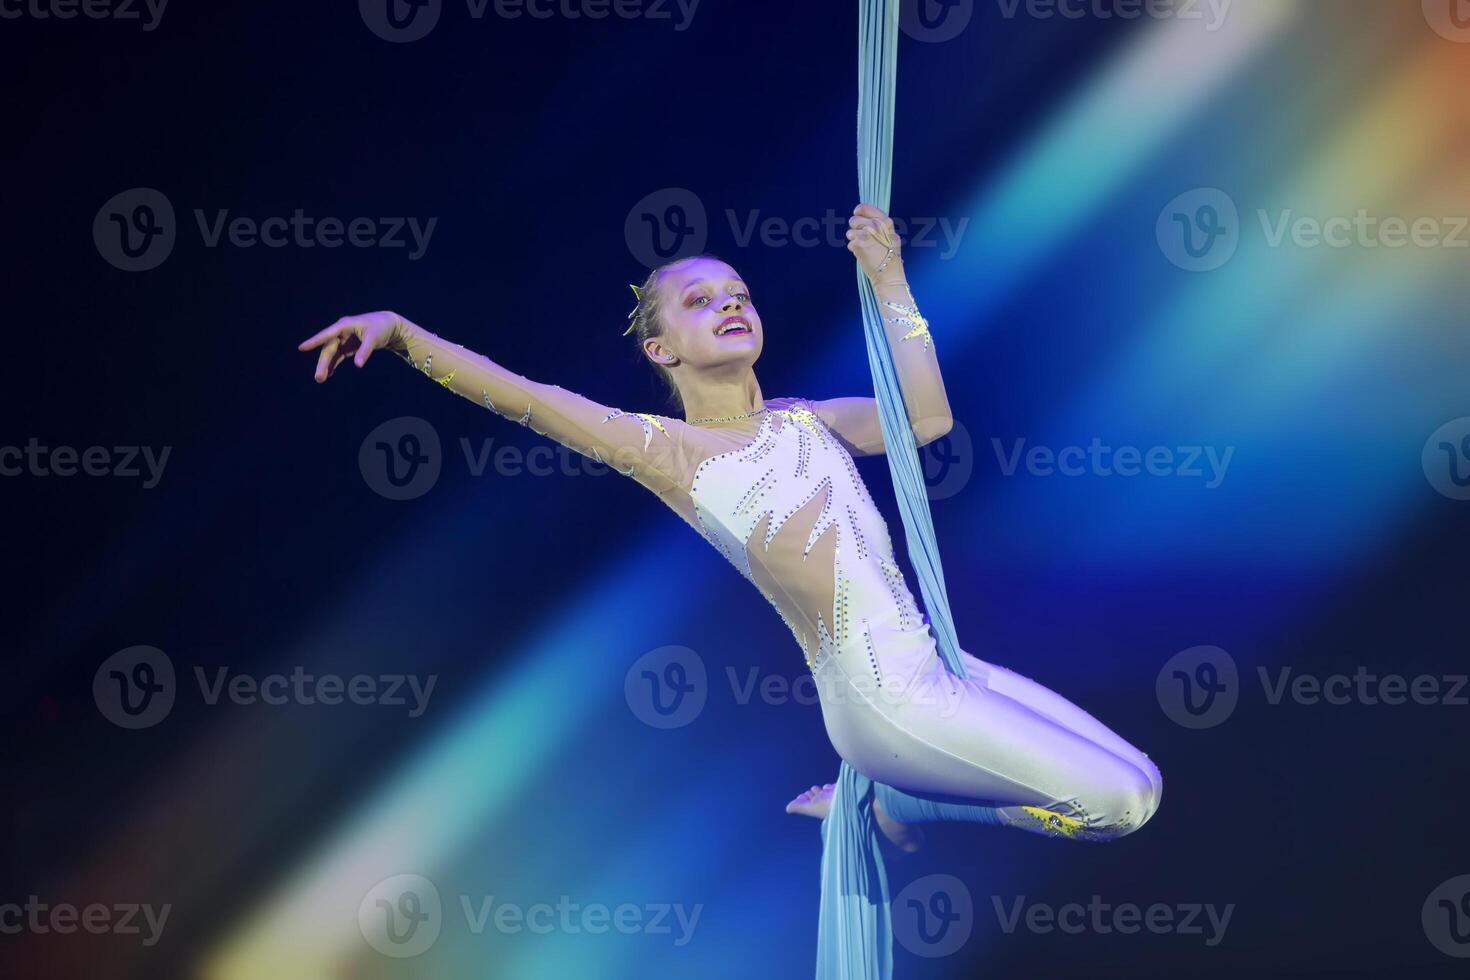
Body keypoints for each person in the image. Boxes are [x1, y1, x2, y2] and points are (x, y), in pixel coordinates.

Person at [298, 203, 1161, 850]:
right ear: (660, 350)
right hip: (884, 706)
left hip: (941, 666)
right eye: (699, 300)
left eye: (739, 293)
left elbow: (926, 417)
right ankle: (895, 804)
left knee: (1148, 788)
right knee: (1116, 804)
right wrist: (405, 335)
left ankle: (883, 802)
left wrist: (892, 283)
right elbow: (527, 398)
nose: (729, 303)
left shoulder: (805, 418)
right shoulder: (669, 451)